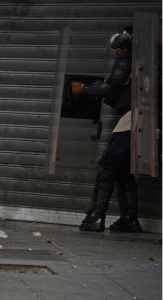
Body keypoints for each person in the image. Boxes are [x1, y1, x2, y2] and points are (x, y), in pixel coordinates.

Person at [72, 26, 142, 233]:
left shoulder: (128, 59)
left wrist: (83, 89)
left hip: (132, 121)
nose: (119, 51)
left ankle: (96, 216)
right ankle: (129, 218)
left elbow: (111, 86)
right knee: (122, 169)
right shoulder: (149, 62)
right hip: (146, 120)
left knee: (108, 165)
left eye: (121, 47)